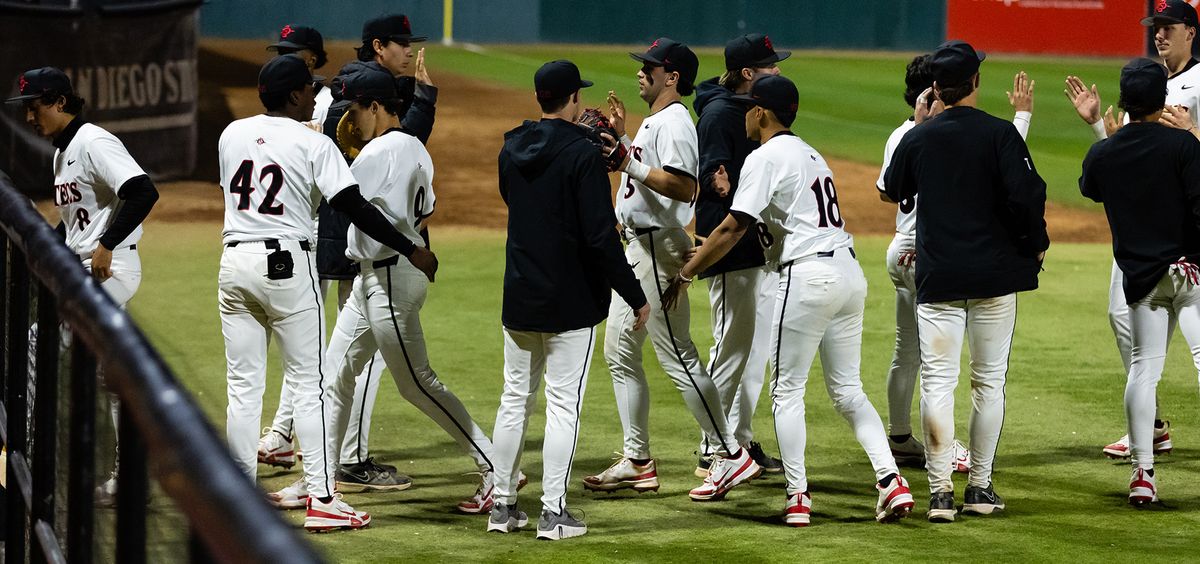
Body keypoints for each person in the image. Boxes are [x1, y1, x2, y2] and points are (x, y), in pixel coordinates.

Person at [265, 65, 520, 515]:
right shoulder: (415, 149)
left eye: (357, 109)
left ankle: (498, 468)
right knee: (334, 375)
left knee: (417, 384)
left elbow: (356, 208)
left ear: (377, 106)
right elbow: (421, 212)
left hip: (389, 276)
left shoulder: (380, 153)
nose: (351, 118)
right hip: (379, 277)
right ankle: (316, 481)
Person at [664, 75, 915, 527]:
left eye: (748, 107)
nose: (743, 113)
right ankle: (891, 480)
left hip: (805, 278)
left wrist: (687, 271)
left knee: (787, 393)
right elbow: (775, 221)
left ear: (761, 112)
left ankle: (798, 496)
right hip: (847, 275)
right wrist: (728, 194)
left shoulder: (765, 156)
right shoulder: (812, 155)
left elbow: (732, 229)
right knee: (849, 392)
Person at [218, 54, 434, 531]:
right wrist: (410, 248)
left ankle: (236, 497)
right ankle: (321, 498)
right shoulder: (312, 142)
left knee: (243, 388)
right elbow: (356, 206)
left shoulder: (231, 134)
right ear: (295, 95)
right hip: (285, 266)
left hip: (233, 263)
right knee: (309, 384)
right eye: (308, 90)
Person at [258, 13, 444, 495]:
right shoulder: (355, 93)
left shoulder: (339, 88)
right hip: (348, 230)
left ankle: (291, 436)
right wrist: (424, 101)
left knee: (332, 350)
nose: (408, 50)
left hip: (334, 227)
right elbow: (394, 151)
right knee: (354, 354)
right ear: (378, 46)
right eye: (400, 43)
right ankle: (347, 458)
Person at [583, 37, 761, 501]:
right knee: (619, 351)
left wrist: (626, 161)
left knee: (678, 356)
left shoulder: (677, 121)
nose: (641, 72)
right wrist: (624, 140)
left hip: (657, 250)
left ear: (672, 76)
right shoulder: (656, 121)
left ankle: (730, 452)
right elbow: (647, 173)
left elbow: (685, 188)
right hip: (638, 250)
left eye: (650, 66)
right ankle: (638, 461)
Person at [884, 40, 1048, 523]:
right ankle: (978, 488)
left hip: (939, 276)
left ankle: (938, 495)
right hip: (994, 276)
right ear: (976, 83)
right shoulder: (1000, 134)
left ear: (936, 88)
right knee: (987, 385)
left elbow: (894, 189)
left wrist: (919, 126)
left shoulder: (921, 136)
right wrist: (1035, 242)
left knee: (938, 383)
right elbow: (1026, 197)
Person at [490, 60, 649, 540]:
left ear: (541, 97)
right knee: (562, 405)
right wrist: (635, 295)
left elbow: (512, 199)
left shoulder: (511, 146)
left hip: (519, 293)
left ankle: (502, 506)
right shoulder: (582, 157)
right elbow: (601, 239)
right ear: (573, 99)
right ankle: (553, 512)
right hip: (569, 302)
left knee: (514, 401)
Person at [6, 66, 160, 506]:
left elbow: (142, 191)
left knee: (39, 344)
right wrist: (48, 249)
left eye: (35, 108)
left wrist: (108, 244)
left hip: (108, 272)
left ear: (59, 102)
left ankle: (27, 460)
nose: (29, 118)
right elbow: (76, 226)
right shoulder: (63, 151)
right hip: (86, 268)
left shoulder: (94, 141)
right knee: (110, 375)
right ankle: (129, 478)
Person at [1064, 0, 1200, 459]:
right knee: (1123, 323)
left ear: (1191, 32)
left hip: (1188, 240)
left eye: (1168, 26)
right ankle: (1152, 427)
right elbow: (1120, 165)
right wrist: (1098, 132)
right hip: (1140, 237)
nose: (1159, 34)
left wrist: (1196, 132)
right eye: (1154, 26)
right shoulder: (1143, 86)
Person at [690, 32, 787, 477]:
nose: (778, 70)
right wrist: (716, 180)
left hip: (756, 246)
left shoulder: (754, 111)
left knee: (749, 351)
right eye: (770, 66)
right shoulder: (718, 114)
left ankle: (740, 439)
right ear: (748, 74)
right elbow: (709, 170)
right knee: (729, 347)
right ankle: (713, 446)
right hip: (728, 246)